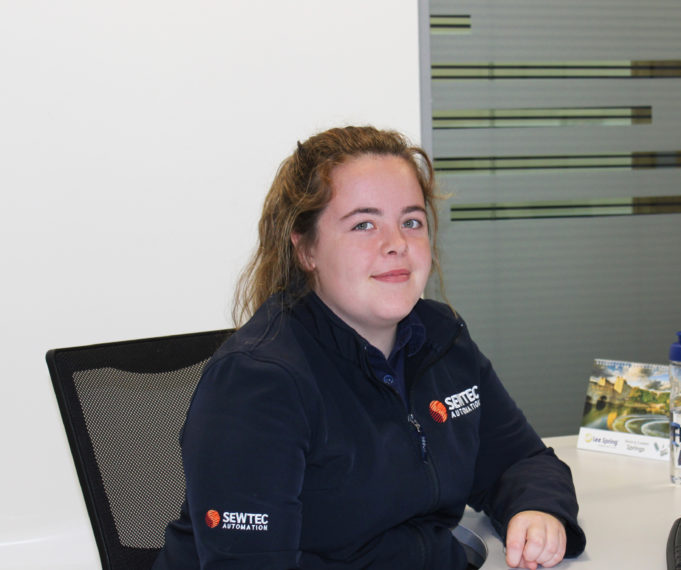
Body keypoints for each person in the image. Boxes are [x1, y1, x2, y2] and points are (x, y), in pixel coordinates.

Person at [154, 125, 586, 569]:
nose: (397, 244)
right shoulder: (258, 383)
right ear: (307, 250)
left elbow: (519, 460)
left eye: (411, 221)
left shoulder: (441, 339)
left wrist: (537, 509)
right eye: (364, 224)